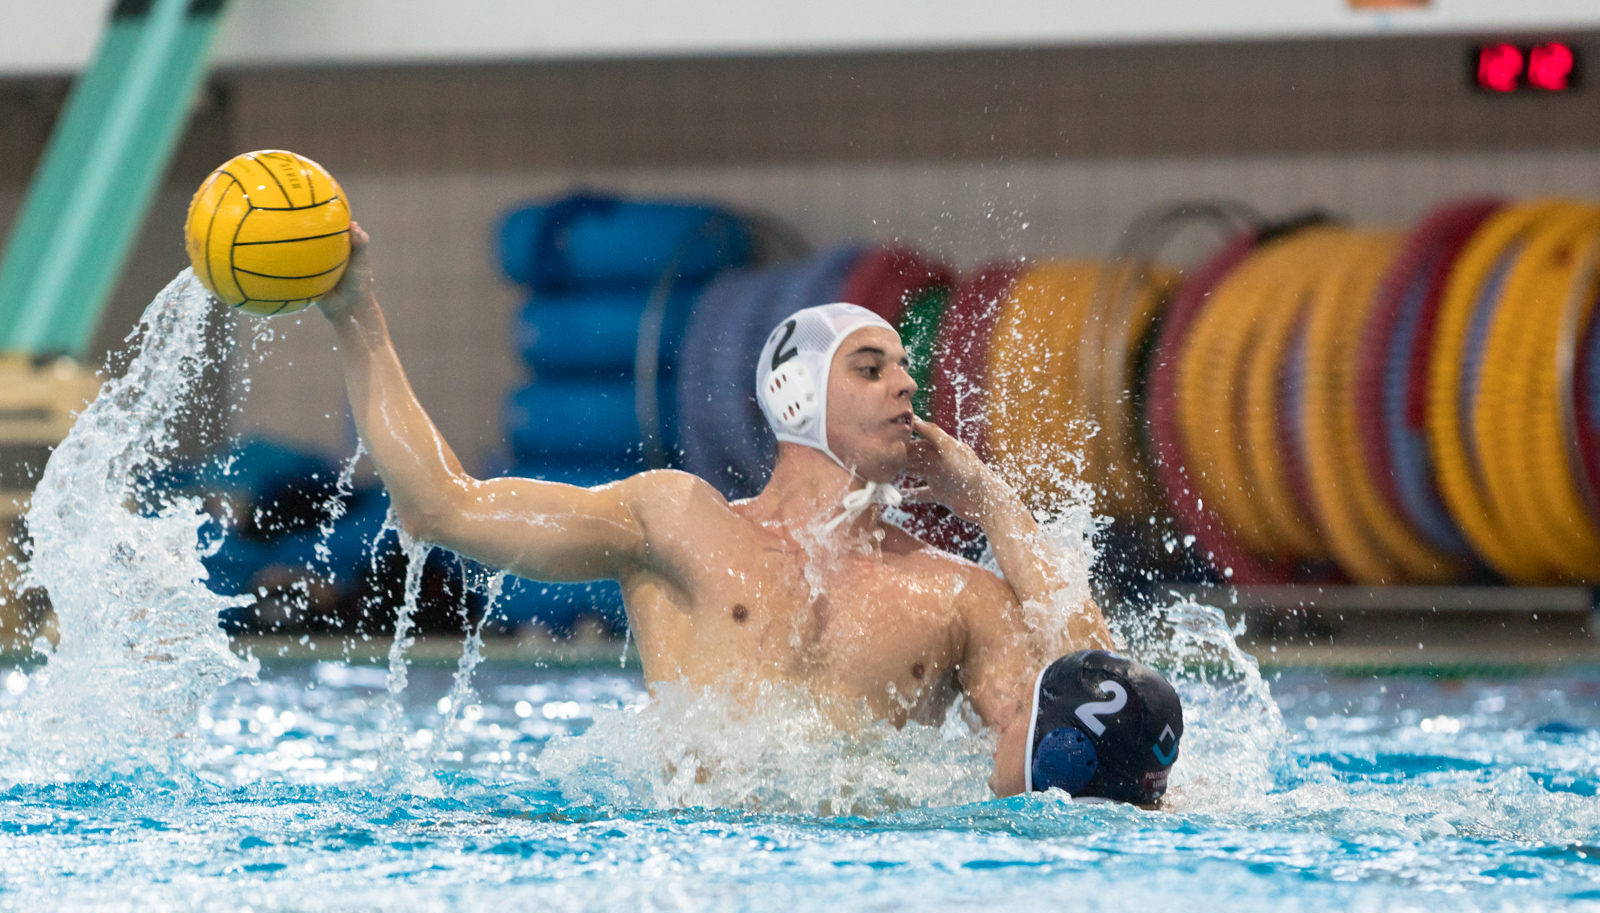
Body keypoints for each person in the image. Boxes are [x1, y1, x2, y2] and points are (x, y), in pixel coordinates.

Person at [319, 223, 1180, 799]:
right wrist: (358, 315)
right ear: (794, 395)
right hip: (692, 875)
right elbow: (441, 506)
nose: (908, 382)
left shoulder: (957, 595)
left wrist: (991, 500)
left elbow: (1104, 728)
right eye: (871, 367)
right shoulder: (676, 522)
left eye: (905, 366)